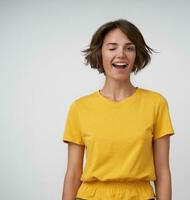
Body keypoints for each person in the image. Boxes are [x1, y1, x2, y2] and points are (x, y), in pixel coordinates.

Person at [62, 19, 175, 200]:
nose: (121, 54)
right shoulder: (80, 108)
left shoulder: (156, 103)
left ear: (137, 55)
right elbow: (73, 173)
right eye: (112, 47)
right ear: (100, 53)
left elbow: (163, 171)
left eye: (129, 48)